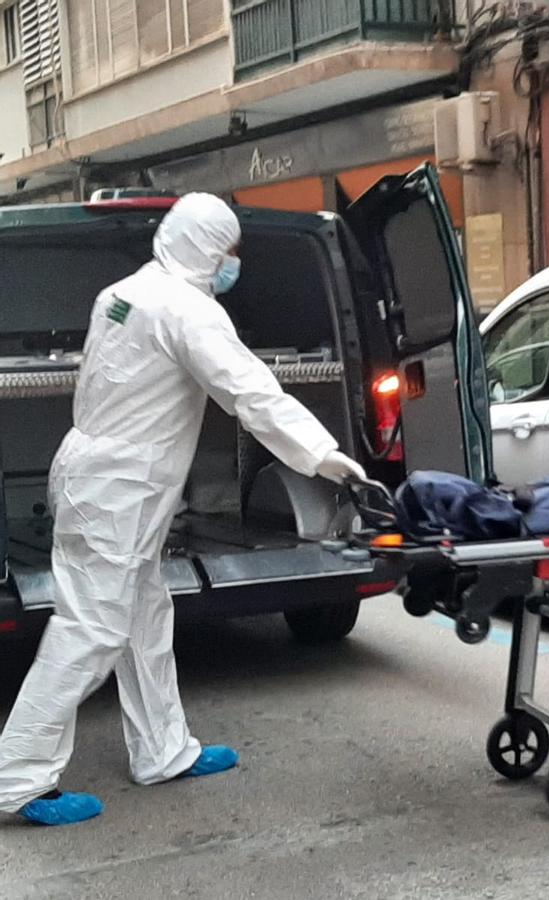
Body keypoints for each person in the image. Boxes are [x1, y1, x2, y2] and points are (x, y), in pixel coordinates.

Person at [0, 193, 366, 826]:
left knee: (144, 614)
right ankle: (16, 780)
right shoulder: (189, 311)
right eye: (229, 253)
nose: (232, 265)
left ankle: (163, 750)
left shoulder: (122, 293)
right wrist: (323, 454)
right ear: (207, 247)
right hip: (118, 494)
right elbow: (250, 392)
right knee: (89, 632)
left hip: (100, 479)